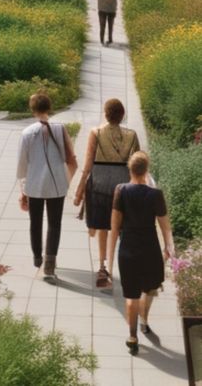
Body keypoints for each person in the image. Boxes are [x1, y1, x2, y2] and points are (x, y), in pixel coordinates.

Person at [108, 151, 174, 356]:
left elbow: (114, 226)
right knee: (149, 289)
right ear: (146, 169)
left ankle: (132, 336)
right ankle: (144, 321)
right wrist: (169, 248)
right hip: (150, 249)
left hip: (128, 249)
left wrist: (108, 262)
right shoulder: (156, 195)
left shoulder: (121, 190)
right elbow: (165, 227)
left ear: (130, 168)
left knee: (131, 295)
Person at [73, 98, 139, 289]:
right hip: (124, 184)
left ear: (105, 114)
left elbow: (87, 166)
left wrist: (79, 191)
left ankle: (103, 268)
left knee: (103, 226)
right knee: (122, 228)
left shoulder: (96, 132)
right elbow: (136, 164)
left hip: (100, 184)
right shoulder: (132, 135)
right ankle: (125, 268)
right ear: (122, 115)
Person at [17, 91, 78, 281]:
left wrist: (23, 190)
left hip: (34, 184)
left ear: (32, 109)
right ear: (49, 107)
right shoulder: (60, 129)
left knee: (35, 222)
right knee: (54, 223)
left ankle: (37, 258)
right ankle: (50, 265)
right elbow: (72, 159)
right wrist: (66, 181)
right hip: (56, 184)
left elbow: (22, 164)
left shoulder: (26, 133)